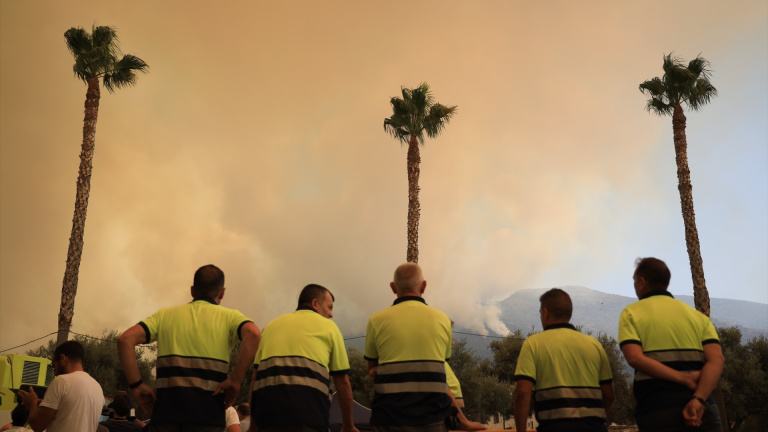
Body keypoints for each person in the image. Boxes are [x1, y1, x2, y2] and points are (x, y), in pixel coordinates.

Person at [118, 264, 261, 432]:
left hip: (165, 418)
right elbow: (253, 334)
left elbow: (125, 339)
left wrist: (137, 385)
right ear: (222, 292)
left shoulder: (164, 316)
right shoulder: (230, 317)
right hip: (208, 419)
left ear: (192, 291)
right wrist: (235, 380)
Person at [619, 257, 724, 432]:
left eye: (634, 281)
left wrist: (683, 378)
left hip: (658, 411)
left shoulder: (631, 313)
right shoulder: (697, 317)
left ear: (641, 282)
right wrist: (698, 399)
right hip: (704, 412)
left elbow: (634, 358)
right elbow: (717, 360)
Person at [249, 284, 359, 432]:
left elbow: (255, 379)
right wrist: (348, 425)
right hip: (310, 417)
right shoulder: (330, 327)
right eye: (329, 307)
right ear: (315, 303)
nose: (331, 314)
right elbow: (342, 382)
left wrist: (253, 426)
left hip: (268, 418)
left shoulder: (270, 327)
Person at [364, 263, 453, 432]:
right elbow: (443, 362)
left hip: (388, 420)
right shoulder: (443, 320)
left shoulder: (376, 320)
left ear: (393, 287)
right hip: (433, 421)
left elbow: (372, 369)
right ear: (423, 286)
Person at [513, 288, 614, 432]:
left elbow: (522, 393)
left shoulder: (532, 344)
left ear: (545, 312)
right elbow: (609, 394)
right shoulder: (594, 345)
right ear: (569, 313)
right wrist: (595, 420)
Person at [18, 340, 105, 432]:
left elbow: (37, 425)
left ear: (62, 358)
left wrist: (32, 404)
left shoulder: (61, 381)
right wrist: (49, 405)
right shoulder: (97, 388)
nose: (54, 372)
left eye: (53, 365)